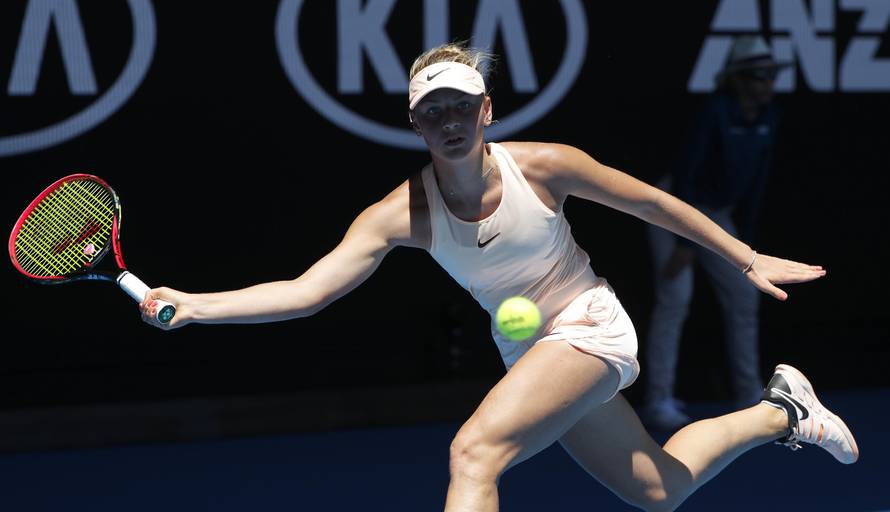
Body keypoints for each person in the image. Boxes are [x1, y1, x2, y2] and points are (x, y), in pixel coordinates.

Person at [139, 43, 857, 511]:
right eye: (433, 111)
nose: (449, 121)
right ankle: (786, 412)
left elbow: (652, 201)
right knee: (658, 489)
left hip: (590, 328)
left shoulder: (544, 166)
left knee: (473, 454)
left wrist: (744, 254)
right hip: (531, 353)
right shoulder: (401, 214)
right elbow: (308, 291)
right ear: (415, 124)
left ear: (486, 110)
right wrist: (197, 306)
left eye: (460, 106)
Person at [641, 35, 793, 431]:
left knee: (746, 292)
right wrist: (684, 242)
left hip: (718, 214)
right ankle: (658, 401)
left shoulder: (771, 117)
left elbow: (756, 187)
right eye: (760, 77)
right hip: (672, 208)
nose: (768, 85)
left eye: (771, 76)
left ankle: (750, 397)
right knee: (676, 296)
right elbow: (688, 174)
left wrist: (751, 249)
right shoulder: (715, 110)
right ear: (740, 80)